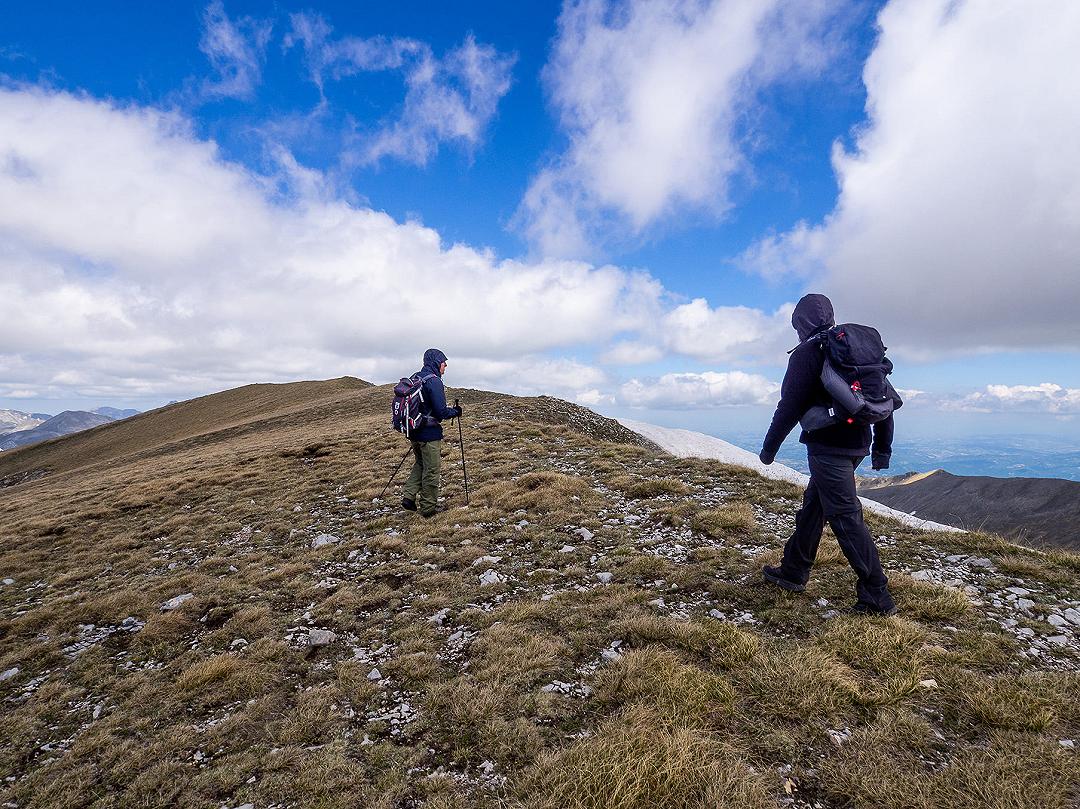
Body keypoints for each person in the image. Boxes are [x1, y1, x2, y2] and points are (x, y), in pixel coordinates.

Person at [758, 294, 898, 616]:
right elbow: (883, 398)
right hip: (858, 443)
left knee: (845, 517)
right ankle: (793, 570)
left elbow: (789, 406)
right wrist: (881, 448)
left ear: (800, 323)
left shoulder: (809, 352)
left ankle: (876, 594)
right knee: (814, 507)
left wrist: (769, 449)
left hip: (828, 449)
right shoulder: (851, 351)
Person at [401, 348, 461, 518]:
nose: (446, 365)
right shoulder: (434, 381)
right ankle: (428, 509)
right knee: (432, 470)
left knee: (420, 463)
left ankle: (409, 496)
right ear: (436, 363)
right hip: (429, 434)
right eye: (443, 362)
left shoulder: (416, 377)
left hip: (414, 432)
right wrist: (455, 412)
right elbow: (440, 412)